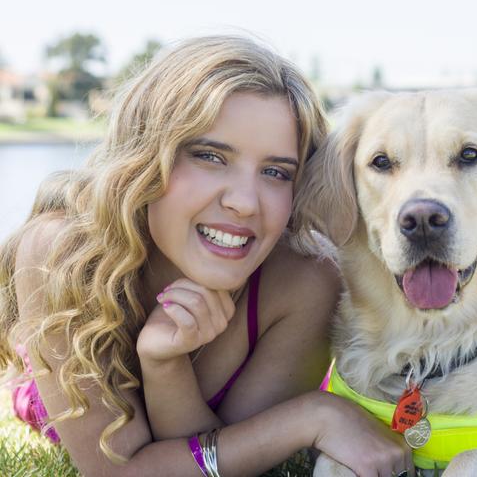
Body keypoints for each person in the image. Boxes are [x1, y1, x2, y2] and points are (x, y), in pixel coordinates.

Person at [0, 35, 414, 476]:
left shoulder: (307, 283)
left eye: (276, 172)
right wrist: (314, 416)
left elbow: (223, 460)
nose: (245, 202)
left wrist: (166, 365)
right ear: (144, 159)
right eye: (210, 156)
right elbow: (120, 472)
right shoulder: (62, 255)